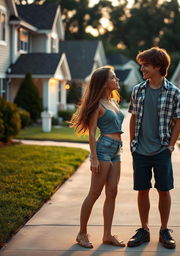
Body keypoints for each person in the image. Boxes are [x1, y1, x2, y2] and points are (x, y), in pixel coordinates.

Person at [127, 47, 180, 249]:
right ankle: (144, 230)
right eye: (141, 64)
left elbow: (178, 121)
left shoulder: (174, 92)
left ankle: (164, 230)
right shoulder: (137, 90)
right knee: (142, 190)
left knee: (164, 190)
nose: (142, 68)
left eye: (145, 65)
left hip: (161, 150)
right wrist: (132, 143)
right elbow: (133, 117)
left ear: (158, 66)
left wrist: (170, 146)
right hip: (140, 151)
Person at [69, 66, 125, 248]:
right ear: (104, 82)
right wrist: (93, 157)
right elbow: (92, 133)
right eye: (113, 77)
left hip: (117, 149)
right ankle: (81, 233)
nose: (117, 80)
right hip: (103, 150)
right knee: (94, 193)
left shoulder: (114, 102)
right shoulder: (98, 105)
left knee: (112, 192)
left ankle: (107, 235)